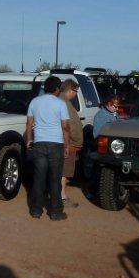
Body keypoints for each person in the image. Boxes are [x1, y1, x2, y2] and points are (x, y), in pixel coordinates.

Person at [25, 75, 70, 221]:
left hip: (39, 144)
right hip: (56, 145)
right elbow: (65, 127)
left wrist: (29, 139)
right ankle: (56, 212)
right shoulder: (60, 104)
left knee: (39, 179)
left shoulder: (34, 102)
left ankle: (36, 210)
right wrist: (67, 145)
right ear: (57, 89)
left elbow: (29, 123)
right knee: (55, 179)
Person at [58, 80, 84, 208]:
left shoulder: (59, 101)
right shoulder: (65, 103)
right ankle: (62, 197)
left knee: (61, 171)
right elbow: (70, 126)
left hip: (62, 141)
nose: (75, 94)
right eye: (75, 91)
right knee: (64, 172)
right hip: (67, 143)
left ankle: (60, 196)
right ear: (70, 90)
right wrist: (76, 140)